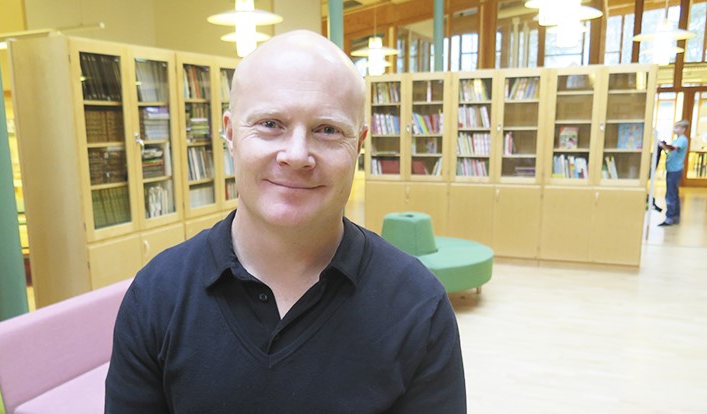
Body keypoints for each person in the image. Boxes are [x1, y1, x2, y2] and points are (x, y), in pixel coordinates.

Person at [105, 30, 466, 413]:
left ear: (359, 145)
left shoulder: (418, 307)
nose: (296, 155)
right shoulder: (156, 296)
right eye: (270, 124)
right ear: (231, 133)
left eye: (327, 130)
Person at [659, 119, 689, 226]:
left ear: (683, 129)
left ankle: (669, 217)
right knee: (674, 194)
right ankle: (675, 216)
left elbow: (672, 149)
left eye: (677, 127)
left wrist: (661, 144)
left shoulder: (682, 140)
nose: (674, 129)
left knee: (670, 194)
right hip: (672, 169)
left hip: (675, 170)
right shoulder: (678, 140)